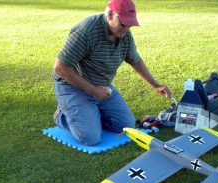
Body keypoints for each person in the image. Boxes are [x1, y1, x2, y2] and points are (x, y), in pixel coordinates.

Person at [52, 0, 172, 146]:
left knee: (126, 125)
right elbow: (60, 67)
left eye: (129, 24)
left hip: (102, 86)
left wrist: (156, 85)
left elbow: (135, 60)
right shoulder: (86, 31)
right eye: (123, 23)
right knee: (90, 138)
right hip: (73, 86)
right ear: (109, 14)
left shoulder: (124, 34)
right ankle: (62, 116)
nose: (126, 28)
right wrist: (92, 90)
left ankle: (90, 114)